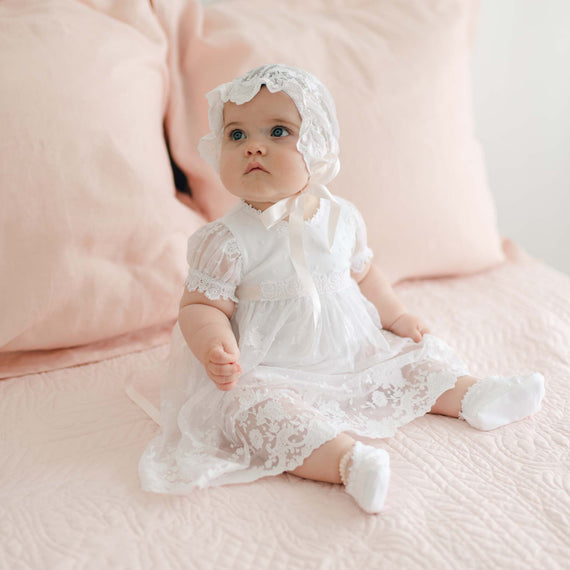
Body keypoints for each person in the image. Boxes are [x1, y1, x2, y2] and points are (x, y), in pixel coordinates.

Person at [138, 64, 545, 514]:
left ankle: (476, 395)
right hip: (269, 366)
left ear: (318, 144)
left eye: (278, 131)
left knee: (411, 361)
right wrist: (214, 344)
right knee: (254, 412)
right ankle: (349, 462)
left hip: (353, 350)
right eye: (236, 135)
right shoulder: (227, 240)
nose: (253, 145)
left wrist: (395, 316)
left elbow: (364, 275)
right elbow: (199, 305)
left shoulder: (341, 216)